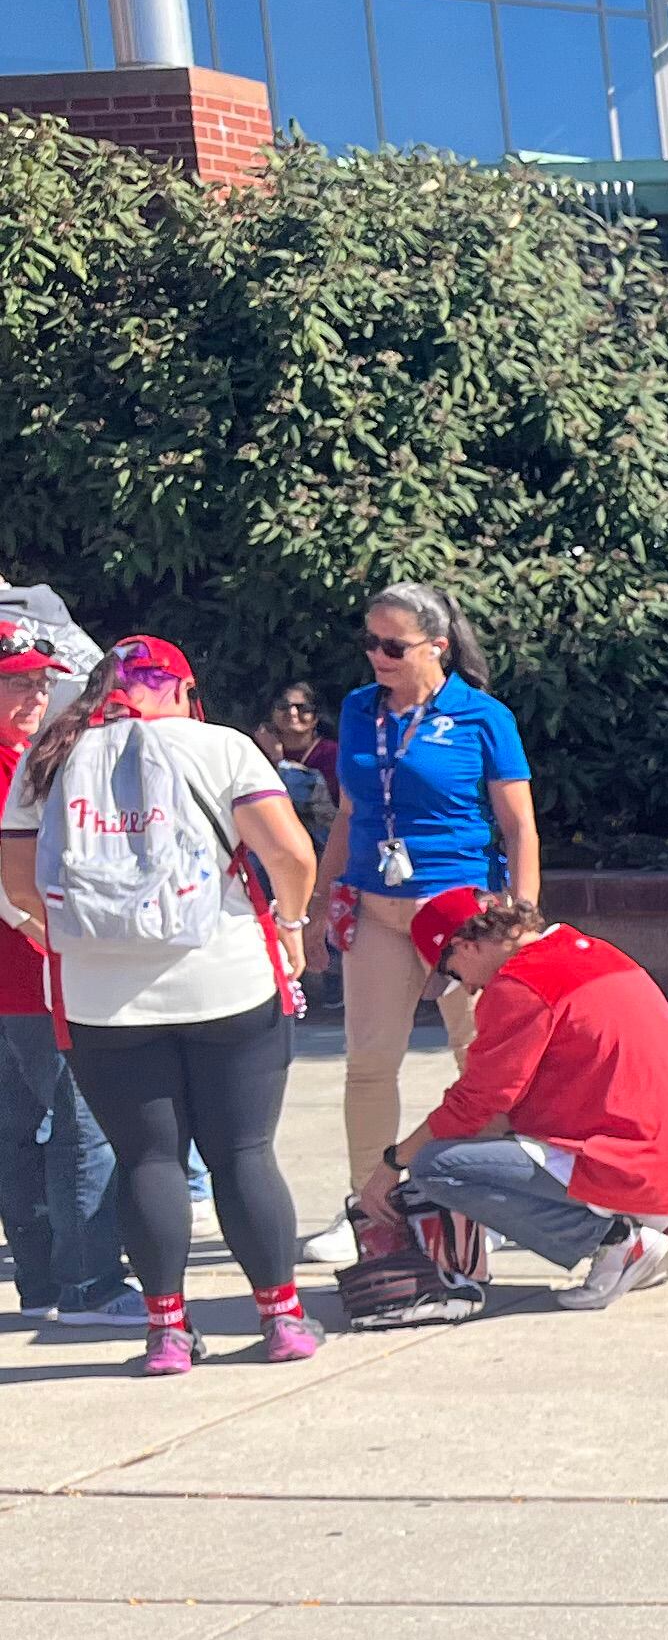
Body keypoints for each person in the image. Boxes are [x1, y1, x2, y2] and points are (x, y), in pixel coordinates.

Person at [0, 634, 323, 1373]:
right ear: (180, 688)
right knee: (243, 1155)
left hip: (100, 999)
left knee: (147, 1159)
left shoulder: (52, 757)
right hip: (228, 979)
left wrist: (84, 937)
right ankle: (281, 1320)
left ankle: (166, 1333)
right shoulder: (223, 748)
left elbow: (19, 883)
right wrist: (292, 924)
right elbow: (293, 856)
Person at [359, 888, 668, 1311]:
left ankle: (617, 1241)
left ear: (466, 945)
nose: (468, 988)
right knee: (497, 1140)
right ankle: (659, 1218)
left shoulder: (520, 986)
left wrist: (392, 1162)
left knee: (437, 1167)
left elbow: (475, 1103)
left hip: (627, 1155)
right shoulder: (591, 950)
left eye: (455, 973)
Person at [320, 582, 535, 1260]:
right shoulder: (359, 710)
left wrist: (521, 925)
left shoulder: (482, 717)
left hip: (461, 913)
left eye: (392, 645)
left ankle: (491, 1202)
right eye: (369, 643)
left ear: (436, 647)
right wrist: (313, 905)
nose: (377, 657)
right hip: (374, 904)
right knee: (370, 1061)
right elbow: (350, 814)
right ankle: (368, 1208)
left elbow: (519, 826)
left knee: (480, 1059)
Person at [0, 621, 126, 1325]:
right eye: (17, 680)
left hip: (22, 974)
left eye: (41, 681)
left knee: (23, 1133)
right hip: (32, 971)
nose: (35, 692)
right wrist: (54, 937)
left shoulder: (21, 752)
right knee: (81, 1128)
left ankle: (47, 1281)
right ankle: (87, 1283)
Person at [257, 681, 342, 1005]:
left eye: (302, 708)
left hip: (321, 846)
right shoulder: (256, 751)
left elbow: (317, 807)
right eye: (283, 706)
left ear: (316, 716)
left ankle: (326, 982)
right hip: (272, 849)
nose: (292, 713)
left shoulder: (330, 754)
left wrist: (279, 764)